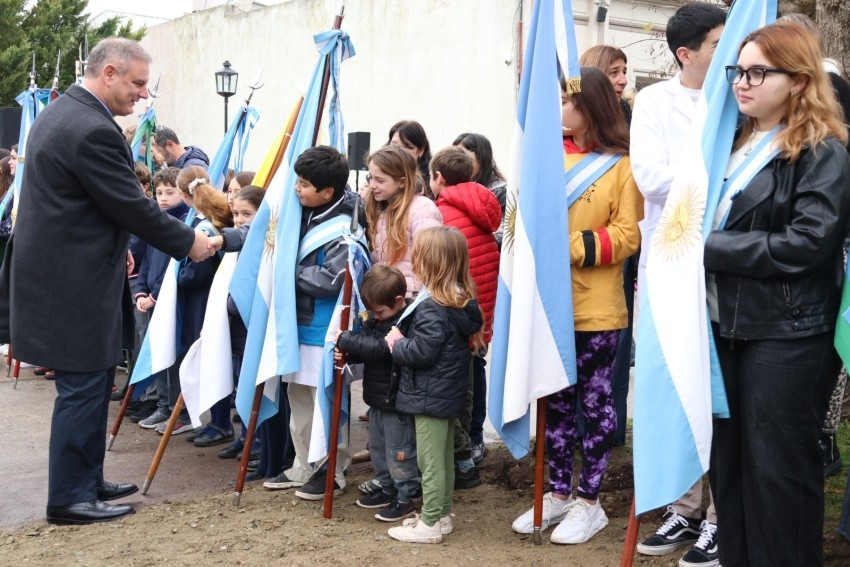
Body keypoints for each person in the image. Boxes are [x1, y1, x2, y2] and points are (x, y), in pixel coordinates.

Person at [0, 37, 215, 526]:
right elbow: (130, 205)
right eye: (138, 83)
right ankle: (70, 498)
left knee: (94, 382)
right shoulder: (90, 128)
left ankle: (86, 479)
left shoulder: (66, 113)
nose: (143, 95)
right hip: (71, 283)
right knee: (82, 387)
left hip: (67, 277)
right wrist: (191, 242)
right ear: (110, 72)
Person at [704, 20, 850, 567]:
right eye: (737, 70)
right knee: (733, 468)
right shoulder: (729, 145)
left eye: (758, 71)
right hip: (728, 327)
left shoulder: (823, 151)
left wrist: (710, 248)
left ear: (796, 79)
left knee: (779, 473)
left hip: (790, 333)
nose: (742, 82)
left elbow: (806, 243)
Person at [511, 66, 641, 545]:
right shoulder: (544, 160)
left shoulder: (623, 164)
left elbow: (629, 235)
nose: (558, 110)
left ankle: (591, 501)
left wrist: (564, 246)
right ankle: (558, 492)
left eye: (565, 102)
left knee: (595, 400)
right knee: (556, 402)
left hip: (596, 307)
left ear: (589, 106)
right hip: (548, 306)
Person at [631, 4, 726, 565]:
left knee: (714, 387)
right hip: (670, 263)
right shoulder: (654, 102)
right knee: (673, 381)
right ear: (686, 54)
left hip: (722, 264)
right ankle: (684, 507)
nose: (730, 53)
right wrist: (711, 177)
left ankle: (719, 514)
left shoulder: (735, 102)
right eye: (718, 43)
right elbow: (652, 177)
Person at [261, 145, 367, 500]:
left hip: (324, 329)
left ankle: (331, 469)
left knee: (326, 401)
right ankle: (304, 462)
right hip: (297, 326)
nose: (297, 189)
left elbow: (332, 279)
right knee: (300, 399)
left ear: (328, 192)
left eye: (305, 184)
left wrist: (287, 270)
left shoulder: (344, 226)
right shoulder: (303, 211)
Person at [384, 226, 483, 544]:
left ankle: (429, 523)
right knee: (442, 459)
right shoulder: (458, 301)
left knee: (430, 461)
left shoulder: (431, 307)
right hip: (445, 394)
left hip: (429, 395)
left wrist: (397, 345)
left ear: (430, 263)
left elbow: (422, 352)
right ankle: (440, 515)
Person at [429, 146, 500, 487]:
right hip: (480, 308)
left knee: (457, 386)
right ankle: (473, 441)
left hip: (455, 310)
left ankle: (459, 456)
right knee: (475, 372)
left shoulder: (443, 213)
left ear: (439, 178)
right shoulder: (483, 204)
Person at [336, 265, 420, 522]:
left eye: (380, 311)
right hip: (377, 398)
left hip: (397, 401)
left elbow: (382, 350)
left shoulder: (404, 321)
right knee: (379, 447)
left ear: (397, 301)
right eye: (373, 312)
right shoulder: (377, 318)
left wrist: (346, 340)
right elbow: (368, 348)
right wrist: (350, 352)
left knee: (399, 451)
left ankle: (407, 495)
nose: (377, 317)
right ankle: (386, 486)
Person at [172, 166, 230, 442]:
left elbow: (199, 269)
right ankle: (215, 420)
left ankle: (221, 422)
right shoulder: (209, 216)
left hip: (203, 300)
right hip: (206, 298)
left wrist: (177, 278)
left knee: (211, 358)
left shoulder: (205, 224)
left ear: (184, 195)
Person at [134, 167, 192, 430]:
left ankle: (177, 411)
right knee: (158, 352)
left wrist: (155, 296)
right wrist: (141, 290)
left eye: (170, 192)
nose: (164, 198)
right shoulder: (155, 221)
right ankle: (163, 405)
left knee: (173, 355)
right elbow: (146, 262)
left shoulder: (183, 224)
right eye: (159, 193)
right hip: (151, 297)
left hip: (168, 300)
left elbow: (174, 268)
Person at [364, 145, 442, 296]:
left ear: (402, 182)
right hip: (385, 297)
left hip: (410, 299)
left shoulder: (423, 209)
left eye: (380, 180)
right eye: (370, 177)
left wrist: (415, 295)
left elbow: (432, 262)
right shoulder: (381, 208)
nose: (372, 185)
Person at [451, 132, 507, 249]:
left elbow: (504, 234)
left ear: (481, 159)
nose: (459, 164)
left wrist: (471, 241)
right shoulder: (452, 189)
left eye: (464, 158)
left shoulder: (501, 192)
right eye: (454, 158)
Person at [387, 120, 435, 199]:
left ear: (421, 150)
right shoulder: (379, 174)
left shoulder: (431, 183)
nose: (399, 151)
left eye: (407, 147)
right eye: (394, 145)